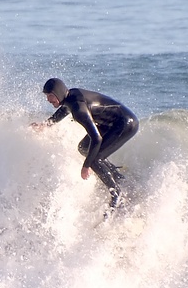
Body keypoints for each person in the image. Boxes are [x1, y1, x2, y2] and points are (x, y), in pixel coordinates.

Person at [34, 78, 139, 206]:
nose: (48, 100)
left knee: (94, 159)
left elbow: (97, 139)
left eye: (50, 96)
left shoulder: (79, 110)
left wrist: (86, 166)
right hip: (109, 123)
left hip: (125, 124)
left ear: (58, 93)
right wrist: (46, 124)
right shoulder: (70, 97)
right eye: (46, 96)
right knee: (83, 147)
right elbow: (65, 109)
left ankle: (117, 195)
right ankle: (117, 177)